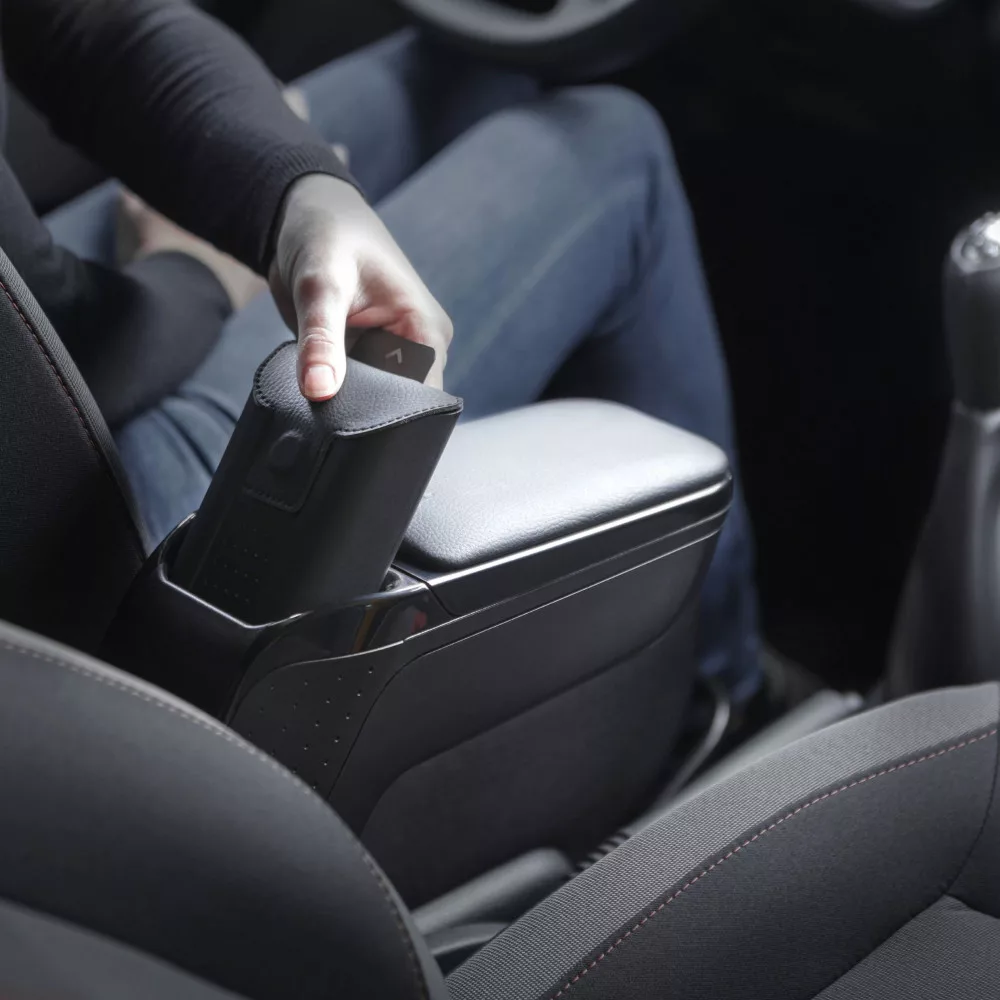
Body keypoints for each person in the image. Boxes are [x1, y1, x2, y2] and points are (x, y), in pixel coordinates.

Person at [6, 4, 760, 705]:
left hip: (34, 337)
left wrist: (302, 196)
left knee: (462, 74)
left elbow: (84, 22)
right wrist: (198, 272)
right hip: (60, 535)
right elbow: (62, 335)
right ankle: (723, 695)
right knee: (614, 146)